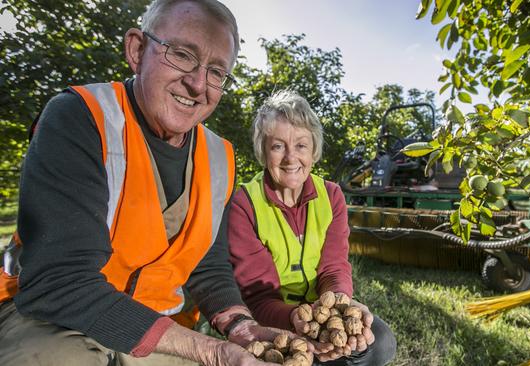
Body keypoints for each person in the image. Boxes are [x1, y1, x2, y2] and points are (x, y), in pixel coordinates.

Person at [0, 1, 292, 365]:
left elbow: (209, 265)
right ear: (137, 50)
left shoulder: (221, 156)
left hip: (158, 326)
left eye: (217, 72)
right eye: (182, 55)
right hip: (51, 318)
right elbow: (61, 282)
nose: (198, 83)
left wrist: (239, 325)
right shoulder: (81, 116)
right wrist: (212, 350)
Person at [228, 90, 397, 365]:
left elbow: (333, 267)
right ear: (263, 151)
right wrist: (294, 319)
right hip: (271, 318)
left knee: (381, 342)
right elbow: (257, 297)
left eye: (301, 146)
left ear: (314, 150)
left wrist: (341, 304)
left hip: (320, 315)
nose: (290, 158)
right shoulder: (244, 204)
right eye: (278, 146)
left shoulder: (330, 196)